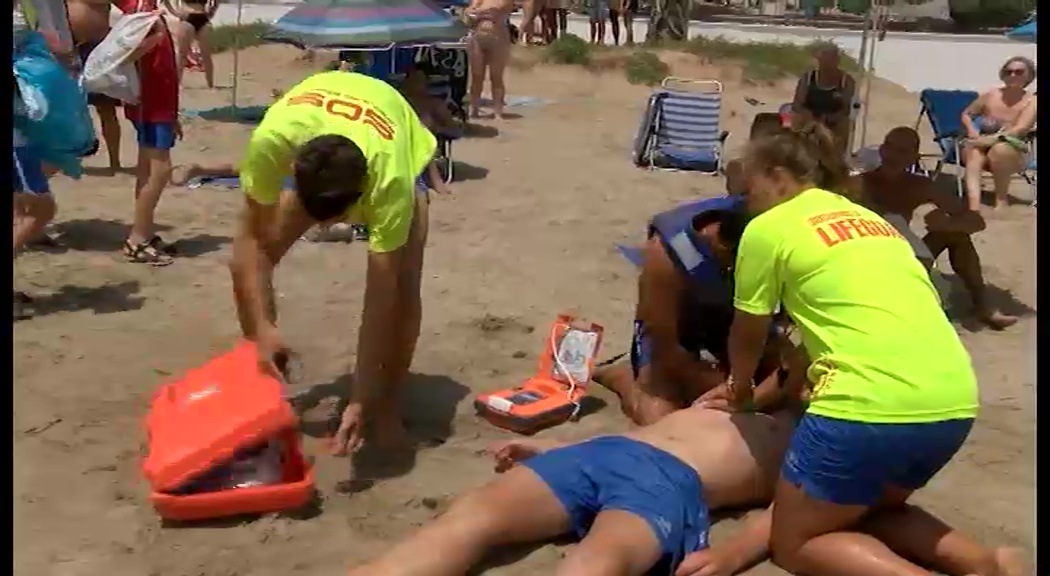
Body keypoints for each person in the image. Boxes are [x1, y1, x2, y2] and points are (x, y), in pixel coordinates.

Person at [714, 121, 979, 576]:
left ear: (777, 175)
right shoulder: (869, 220)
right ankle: (987, 562)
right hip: (953, 401)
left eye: (749, 182)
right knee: (865, 511)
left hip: (865, 409)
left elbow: (748, 331)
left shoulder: (769, 227)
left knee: (794, 544)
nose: (744, 195)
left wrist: (739, 390)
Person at [230, 70, 437, 453]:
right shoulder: (270, 142)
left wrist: (361, 399)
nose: (326, 228)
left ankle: (388, 405)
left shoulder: (389, 184)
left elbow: (380, 303)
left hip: (392, 127)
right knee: (247, 261)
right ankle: (264, 386)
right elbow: (251, 246)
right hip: (323, 122)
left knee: (404, 292)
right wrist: (261, 326)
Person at [347, 404, 801, 576]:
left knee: (596, 561)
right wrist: (549, 445)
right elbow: (652, 426)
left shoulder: (830, 439)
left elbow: (798, 507)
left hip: (671, 481)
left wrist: (733, 554)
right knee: (472, 517)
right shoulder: (745, 397)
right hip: (602, 451)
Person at [593, 196, 797, 425]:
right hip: (681, 321)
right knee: (663, 417)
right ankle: (622, 375)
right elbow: (665, 345)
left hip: (733, 313)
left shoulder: (788, 251)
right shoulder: (668, 255)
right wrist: (707, 382)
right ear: (723, 249)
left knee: (792, 397)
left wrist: (749, 392)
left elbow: (793, 356)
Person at [858, 127, 1017, 330]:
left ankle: (982, 303)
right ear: (881, 150)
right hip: (866, 255)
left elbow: (976, 221)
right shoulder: (860, 184)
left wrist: (949, 224)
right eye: (891, 148)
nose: (894, 156)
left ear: (914, 157)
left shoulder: (919, 186)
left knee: (955, 235)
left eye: (903, 151)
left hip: (906, 256)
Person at [105, 0, 182, 266]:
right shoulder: (140, 12)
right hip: (150, 104)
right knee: (159, 171)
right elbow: (124, 56)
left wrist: (174, 113)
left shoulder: (147, 9)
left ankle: (144, 232)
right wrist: (153, 35)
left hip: (159, 104)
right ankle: (137, 238)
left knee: (148, 169)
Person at [960, 57, 1037, 211]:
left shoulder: (1032, 101)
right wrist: (971, 130)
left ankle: (1001, 200)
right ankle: (973, 206)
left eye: (1019, 72)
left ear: (1029, 76)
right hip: (980, 144)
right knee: (973, 151)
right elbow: (966, 114)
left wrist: (989, 141)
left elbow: (1020, 129)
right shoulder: (991, 95)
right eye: (1009, 72)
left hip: (1012, 150)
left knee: (1000, 149)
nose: (1013, 75)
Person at [791, 43, 856, 156]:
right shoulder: (807, 78)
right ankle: (798, 154)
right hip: (809, 117)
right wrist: (810, 116)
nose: (829, 61)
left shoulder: (846, 81)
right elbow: (797, 104)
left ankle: (837, 159)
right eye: (826, 57)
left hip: (834, 119)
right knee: (797, 118)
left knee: (845, 123)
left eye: (833, 57)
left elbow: (846, 108)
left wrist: (828, 118)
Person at [77, 41, 125, 174]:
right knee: (106, 111)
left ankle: (115, 162)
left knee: (106, 110)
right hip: (80, 47)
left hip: (96, 46)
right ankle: (114, 162)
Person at [463, 0, 513, 119]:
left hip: (498, 38)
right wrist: (479, 11)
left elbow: (495, 9)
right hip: (478, 37)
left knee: (496, 76)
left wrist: (478, 11)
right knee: (476, 76)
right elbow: (468, 12)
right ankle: (474, 109)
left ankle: (498, 111)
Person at [162, 0, 218, 88]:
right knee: (182, 54)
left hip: (203, 16)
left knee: (206, 54)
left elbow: (216, 2)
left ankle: (210, 84)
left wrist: (211, 13)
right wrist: (177, 13)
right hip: (187, 17)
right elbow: (166, 2)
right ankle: (177, 82)